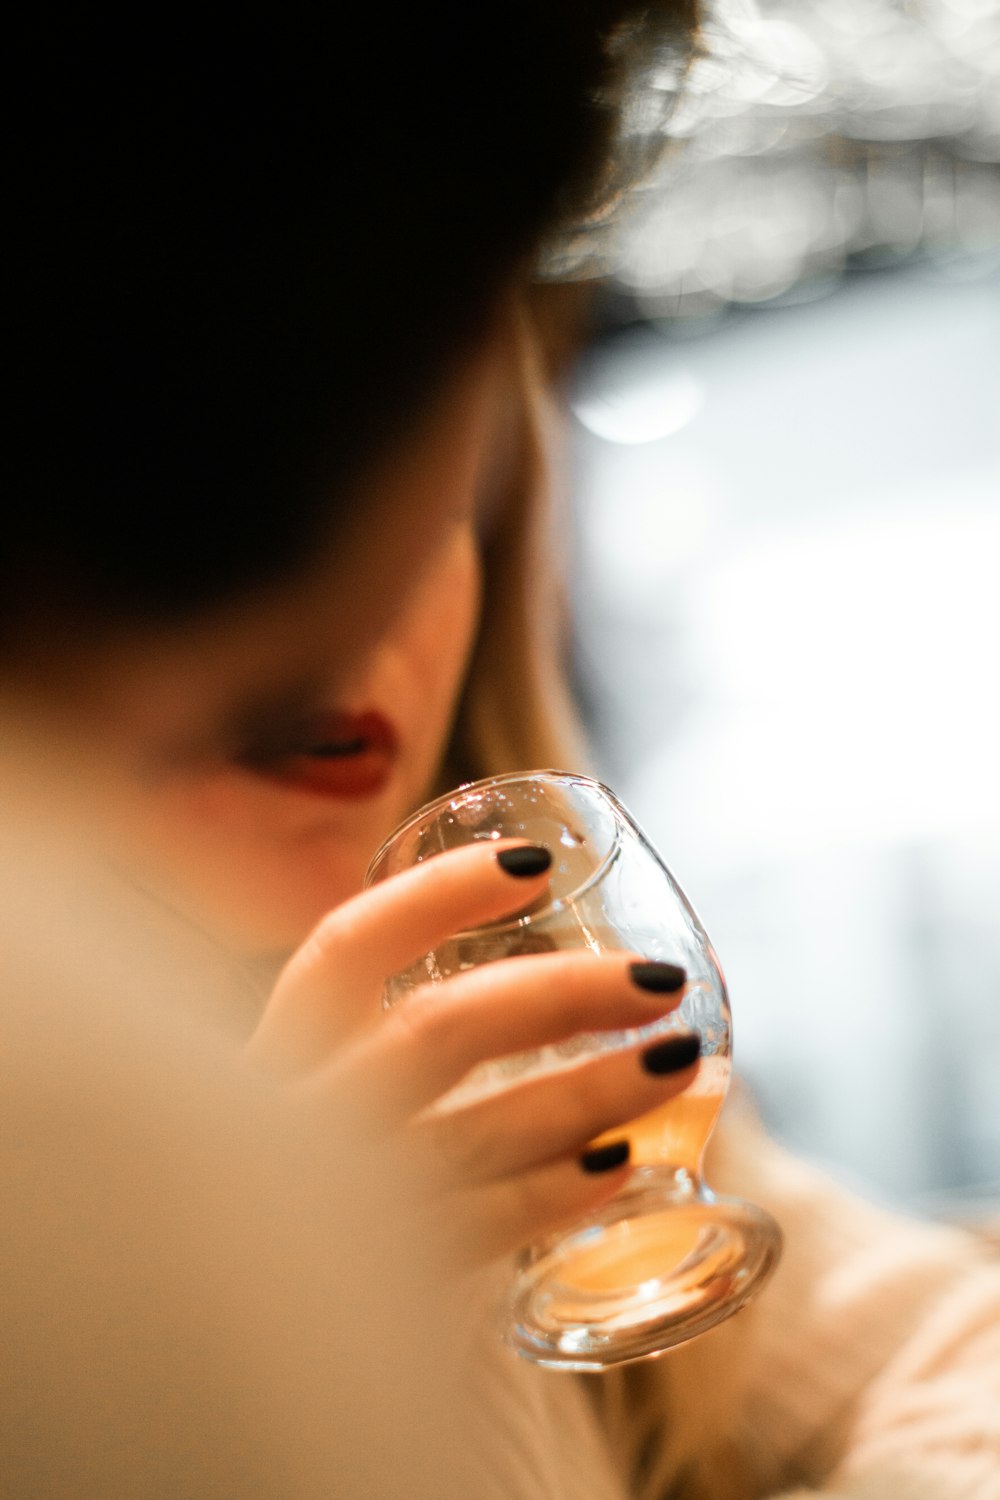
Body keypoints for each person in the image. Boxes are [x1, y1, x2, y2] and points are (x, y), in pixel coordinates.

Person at [3, 7, 999, 1498]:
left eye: (437, 520)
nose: (333, 633)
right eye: (225, 508)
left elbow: (959, 1354)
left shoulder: (538, 1074)